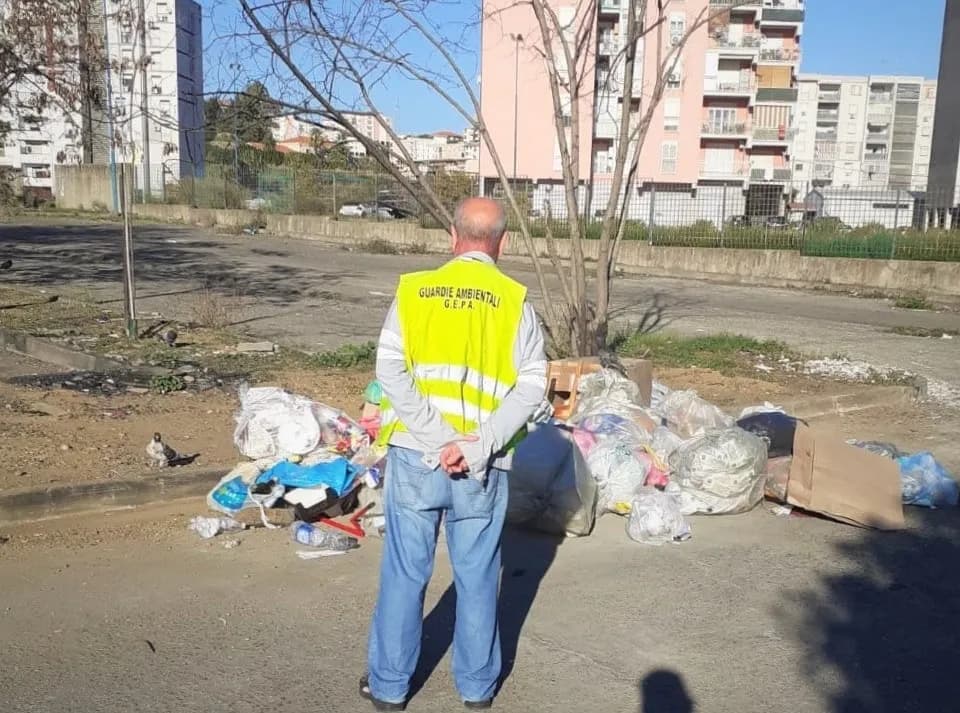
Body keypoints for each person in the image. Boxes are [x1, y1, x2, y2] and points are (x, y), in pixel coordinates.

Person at [361, 197, 547, 711]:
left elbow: (389, 371)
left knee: (404, 571)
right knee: (479, 574)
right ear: (502, 243)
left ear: (452, 235)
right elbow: (533, 387)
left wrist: (435, 438)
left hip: (416, 456)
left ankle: (390, 687)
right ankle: (477, 688)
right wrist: (475, 445)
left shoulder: (414, 293)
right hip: (480, 467)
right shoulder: (515, 303)